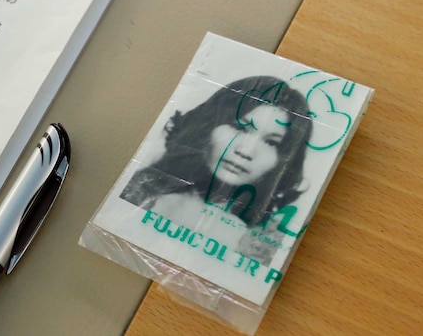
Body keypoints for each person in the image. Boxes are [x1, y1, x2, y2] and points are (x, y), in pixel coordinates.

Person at [120, 76, 313, 235]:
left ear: (285, 161)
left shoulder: (263, 240)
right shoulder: (136, 190)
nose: (245, 151)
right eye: (240, 127)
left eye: (271, 142)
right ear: (209, 124)